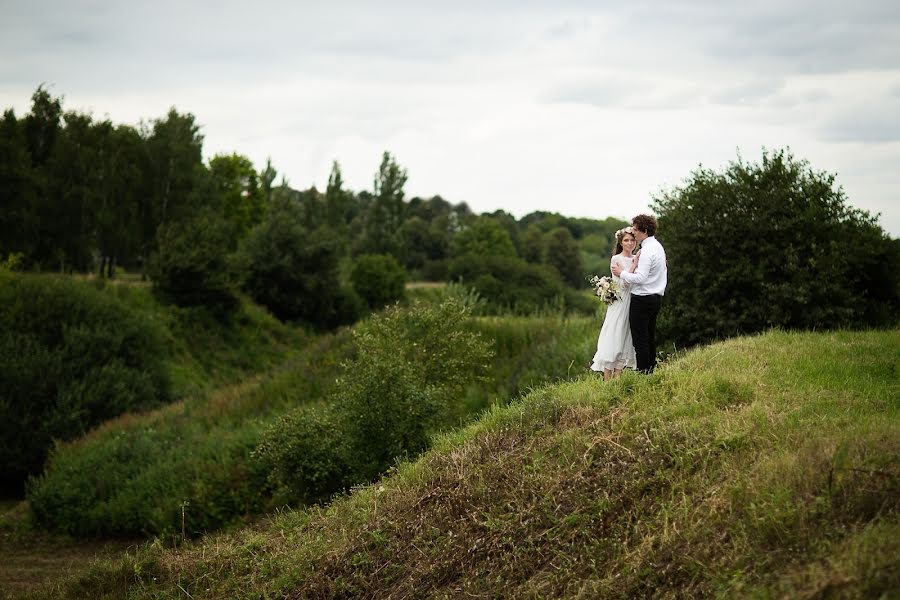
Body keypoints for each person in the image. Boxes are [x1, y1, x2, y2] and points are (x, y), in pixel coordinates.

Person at [612, 214, 667, 374]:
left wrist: (621, 273)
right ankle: (651, 371)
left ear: (644, 230)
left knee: (640, 340)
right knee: (649, 337)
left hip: (642, 300)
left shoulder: (647, 251)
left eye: (635, 229)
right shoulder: (658, 247)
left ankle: (644, 374)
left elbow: (641, 278)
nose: (633, 232)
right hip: (655, 298)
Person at [590, 227, 638, 380]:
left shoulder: (637, 257)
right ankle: (607, 379)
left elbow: (637, 281)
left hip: (633, 301)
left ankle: (618, 379)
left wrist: (634, 265)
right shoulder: (616, 259)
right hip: (620, 302)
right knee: (614, 334)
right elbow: (624, 284)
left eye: (632, 240)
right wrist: (633, 266)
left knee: (625, 335)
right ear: (621, 242)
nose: (630, 243)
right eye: (626, 240)